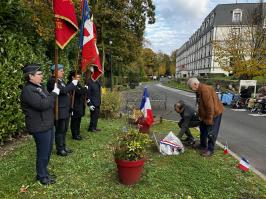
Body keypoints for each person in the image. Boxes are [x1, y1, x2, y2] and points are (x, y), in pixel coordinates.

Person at [20, 64, 59, 185]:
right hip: (39, 126)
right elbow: (43, 105)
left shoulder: (40, 86)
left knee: (47, 150)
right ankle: (41, 176)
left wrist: (50, 97)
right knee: (43, 152)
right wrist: (54, 94)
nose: (42, 76)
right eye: (39, 74)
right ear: (30, 76)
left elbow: (47, 102)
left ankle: (44, 172)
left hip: (48, 123)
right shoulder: (27, 90)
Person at [187, 78, 224, 157]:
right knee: (203, 128)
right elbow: (200, 104)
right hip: (206, 114)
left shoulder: (205, 90)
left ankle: (210, 150)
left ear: (195, 84)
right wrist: (200, 116)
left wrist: (209, 120)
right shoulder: (199, 90)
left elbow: (210, 107)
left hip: (214, 113)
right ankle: (203, 145)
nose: (191, 90)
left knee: (211, 132)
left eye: (191, 88)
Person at [47, 64, 78, 156]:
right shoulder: (52, 81)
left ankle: (64, 146)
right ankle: (60, 149)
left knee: (64, 130)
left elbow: (66, 90)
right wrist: (72, 84)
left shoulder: (61, 80)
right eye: (61, 71)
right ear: (55, 72)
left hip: (65, 109)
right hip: (59, 110)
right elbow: (63, 91)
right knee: (60, 130)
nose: (63, 72)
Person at [67, 71, 87, 140]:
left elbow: (82, 91)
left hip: (79, 105)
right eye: (77, 77)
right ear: (73, 77)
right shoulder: (70, 84)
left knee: (78, 120)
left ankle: (78, 133)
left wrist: (83, 89)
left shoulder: (78, 84)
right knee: (74, 121)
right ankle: (75, 135)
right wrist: (84, 89)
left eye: (79, 77)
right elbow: (80, 92)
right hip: (74, 105)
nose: (79, 78)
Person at [87, 66, 102, 132]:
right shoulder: (89, 82)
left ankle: (94, 127)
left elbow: (100, 87)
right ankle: (91, 128)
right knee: (93, 116)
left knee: (96, 115)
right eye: (94, 73)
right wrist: (89, 104)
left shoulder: (97, 82)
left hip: (98, 101)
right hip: (93, 102)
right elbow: (88, 94)